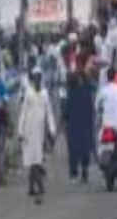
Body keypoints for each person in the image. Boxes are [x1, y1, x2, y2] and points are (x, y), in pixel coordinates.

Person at [18, 70, 57, 205]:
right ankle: (39, 186)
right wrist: (20, 131)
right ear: (33, 79)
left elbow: (49, 113)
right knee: (32, 160)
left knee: (36, 159)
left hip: (39, 132)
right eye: (36, 78)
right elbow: (23, 113)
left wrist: (52, 130)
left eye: (40, 78)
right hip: (29, 131)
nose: (38, 80)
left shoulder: (45, 94)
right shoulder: (28, 94)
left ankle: (31, 188)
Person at [64, 58, 95, 184]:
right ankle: (75, 173)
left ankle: (83, 172)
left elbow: (91, 108)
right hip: (76, 122)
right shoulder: (73, 88)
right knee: (75, 150)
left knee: (83, 149)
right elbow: (67, 108)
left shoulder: (85, 87)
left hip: (82, 122)